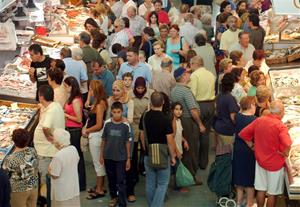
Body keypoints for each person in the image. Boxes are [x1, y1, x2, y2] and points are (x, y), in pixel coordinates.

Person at [239, 100, 292, 207]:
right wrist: (285, 153)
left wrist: (252, 146)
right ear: (281, 112)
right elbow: (287, 143)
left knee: (261, 189)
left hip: (260, 161)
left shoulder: (260, 120)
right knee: (272, 193)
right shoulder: (280, 126)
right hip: (275, 165)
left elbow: (243, 133)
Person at [139, 92, 176, 207]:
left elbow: (141, 134)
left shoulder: (145, 116)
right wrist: (173, 156)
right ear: (163, 102)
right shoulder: (166, 119)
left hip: (148, 154)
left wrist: (146, 149)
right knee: (162, 183)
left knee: (150, 182)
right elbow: (170, 140)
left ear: (151, 102)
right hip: (163, 155)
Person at [171, 67, 205, 181]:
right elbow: (193, 110)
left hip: (180, 121)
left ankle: (183, 174)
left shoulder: (174, 89)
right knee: (191, 150)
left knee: (184, 149)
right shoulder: (186, 91)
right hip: (189, 122)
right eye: (187, 73)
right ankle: (190, 176)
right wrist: (200, 124)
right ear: (183, 76)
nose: (189, 75)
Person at [33, 85, 65, 197]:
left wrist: (48, 137)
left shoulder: (51, 110)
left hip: (46, 152)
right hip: (49, 150)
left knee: (45, 179)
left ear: (41, 97)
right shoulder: (54, 105)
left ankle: (47, 200)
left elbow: (46, 127)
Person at [106, 80, 135, 202]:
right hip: (112, 135)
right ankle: (114, 195)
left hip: (125, 135)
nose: (115, 92)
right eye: (113, 90)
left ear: (123, 90)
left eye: (118, 90)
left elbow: (130, 119)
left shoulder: (129, 102)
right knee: (113, 166)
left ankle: (129, 192)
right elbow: (107, 118)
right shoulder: (110, 100)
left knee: (127, 164)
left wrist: (117, 118)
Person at [100, 102, 132, 207]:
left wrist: (128, 158)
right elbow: (103, 140)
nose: (116, 114)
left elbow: (127, 142)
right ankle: (113, 197)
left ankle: (122, 202)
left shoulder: (126, 125)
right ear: (111, 112)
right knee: (111, 178)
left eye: (119, 112)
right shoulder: (107, 123)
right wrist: (101, 155)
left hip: (121, 158)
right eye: (114, 112)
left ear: (122, 112)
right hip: (108, 156)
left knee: (121, 180)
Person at [188, 56, 216, 169]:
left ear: (195, 64)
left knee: (195, 134)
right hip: (210, 104)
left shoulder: (194, 76)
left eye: (191, 64)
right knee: (206, 134)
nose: (190, 66)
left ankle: (195, 162)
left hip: (199, 105)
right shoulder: (211, 74)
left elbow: (192, 94)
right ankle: (204, 162)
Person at [83, 80, 107, 199]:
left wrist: (86, 130)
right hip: (96, 135)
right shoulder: (98, 102)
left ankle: (99, 189)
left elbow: (99, 125)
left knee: (98, 163)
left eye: (91, 89)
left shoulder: (99, 104)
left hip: (96, 136)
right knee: (98, 163)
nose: (89, 91)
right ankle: (99, 186)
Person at [2, 129, 38, 207]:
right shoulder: (33, 151)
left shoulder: (10, 158)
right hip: (33, 186)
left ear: (13, 141)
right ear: (28, 140)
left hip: (18, 190)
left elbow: (5, 174)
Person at [232, 96, 256, 207]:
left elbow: (241, 110)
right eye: (254, 104)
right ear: (251, 105)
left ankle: (238, 202)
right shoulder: (254, 120)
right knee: (249, 178)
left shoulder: (238, 116)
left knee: (239, 175)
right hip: (249, 151)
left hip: (238, 149)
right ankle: (249, 203)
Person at [63, 76, 86, 192]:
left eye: (66, 86)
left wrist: (65, 115)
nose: (65, 88)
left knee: (78, 157)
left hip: (75, 131)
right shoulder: (71, 98)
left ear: (71, 86)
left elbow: (78, 119)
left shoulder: (76, 100)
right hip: (71, 130)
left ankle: (81, 183)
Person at [48, 129, 80, 207]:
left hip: (62, 191)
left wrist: (49, 170)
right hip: (73, 187)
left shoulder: (58, 156)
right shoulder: (73, 149)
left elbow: (55, 175)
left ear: (58, 142)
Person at [213, 73, 240, 152]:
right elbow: (232, 117)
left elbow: (215, 112)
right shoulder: (230, 98)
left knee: (221, 153)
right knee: (227, 155)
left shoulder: (219, 96)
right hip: (227, 129)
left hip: (219, 127)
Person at [171, 102, 189, 192]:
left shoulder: (179, 120)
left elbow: (179, 134)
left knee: (176, 168)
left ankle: (177, 185)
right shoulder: (173, 121)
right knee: (177, 168)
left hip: (179, 148)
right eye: (176, 109)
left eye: (180, 109)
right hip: (175, 149)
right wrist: (176, 151)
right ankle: (178, 187)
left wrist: (184, 140)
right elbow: (172, 138)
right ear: (172, 110)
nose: (179, 111)